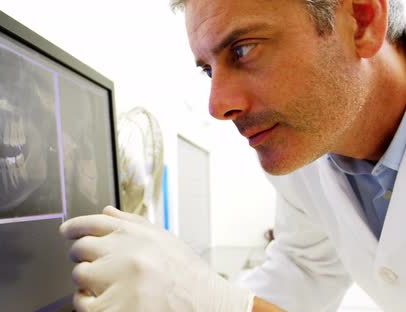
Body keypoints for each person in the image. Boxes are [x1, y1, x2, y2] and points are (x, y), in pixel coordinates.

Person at [59, 0, 406, 310]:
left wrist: (213, 301)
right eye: (209, 70)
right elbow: (305, 266)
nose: (218, 106)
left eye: (243, 50)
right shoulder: (310, 141)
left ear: (361, 21)